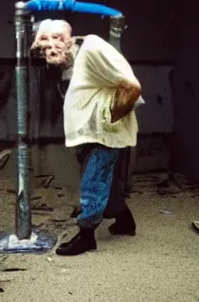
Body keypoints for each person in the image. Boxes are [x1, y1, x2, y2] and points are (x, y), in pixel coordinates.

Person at [31, 19, 141, 256]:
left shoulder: (90, 47)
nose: (47, 50)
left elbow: (132, 88)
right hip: (86, 132)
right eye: (42, 46)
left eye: (52, 41)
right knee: (104, 181)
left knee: (92, 182)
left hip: (101, 132)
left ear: (64, 39)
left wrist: (109, 119)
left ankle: (86, 236)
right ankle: (125, 222)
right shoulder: (66, 62)